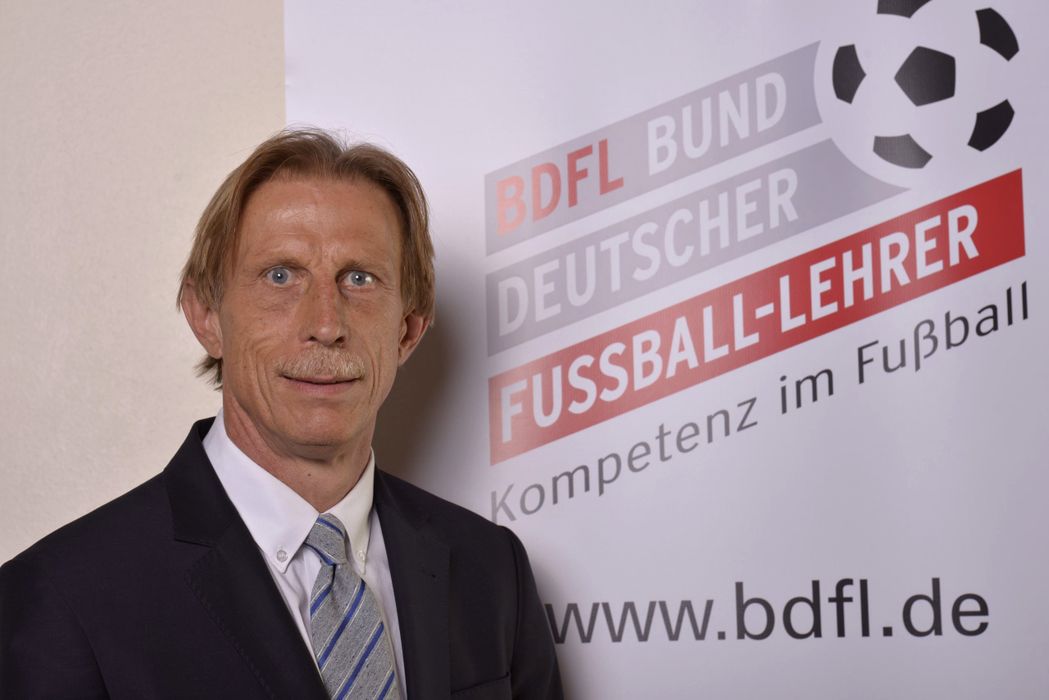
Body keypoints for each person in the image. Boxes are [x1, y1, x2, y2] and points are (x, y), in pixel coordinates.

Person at [0, 129, 564, 699]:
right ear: (206, 316)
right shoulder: (62, 598)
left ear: (408, 330)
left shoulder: (493, 572)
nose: (326, 324)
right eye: (281, 275)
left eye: (360, 278)